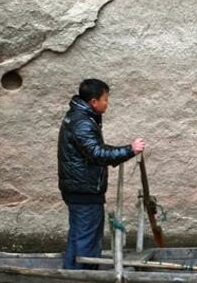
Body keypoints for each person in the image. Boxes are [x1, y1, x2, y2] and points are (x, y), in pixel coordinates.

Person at [58, 79, 144, 270]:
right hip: (84, 190)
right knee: (87, 238)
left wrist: (124, 151)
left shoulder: (78, 117)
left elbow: (94, 150)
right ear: (94, 102)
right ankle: (83, 278)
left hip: (79, 188)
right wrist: (130, 150)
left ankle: (71, 273)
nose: (107, 103)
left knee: (78, 235)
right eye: (105, 99)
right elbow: (97, 154)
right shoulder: (83, 123)